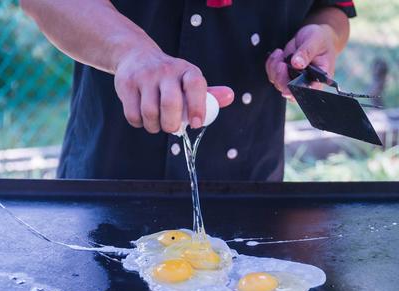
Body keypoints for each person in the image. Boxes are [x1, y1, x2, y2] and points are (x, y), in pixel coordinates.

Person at [21, 0, 355, 181]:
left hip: (254, 176)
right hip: (112, 169)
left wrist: (323, 33)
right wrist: (132, 52)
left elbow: (332, 8)